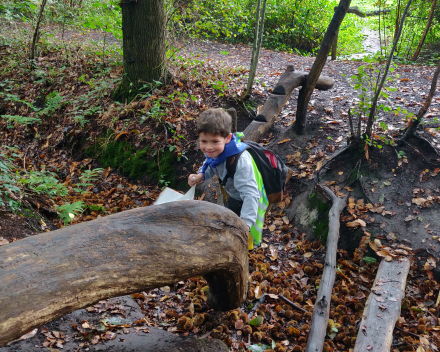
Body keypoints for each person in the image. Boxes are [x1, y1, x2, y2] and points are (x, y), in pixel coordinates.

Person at [188, 108, 268, 250]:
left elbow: (251, 195)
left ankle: (246, 250)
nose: (208, 147)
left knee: (247, 234)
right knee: (229, 220)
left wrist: (245, 225)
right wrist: (201, 175)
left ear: (228, 138)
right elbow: (210, 163)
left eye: (214, 141)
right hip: (235, 195)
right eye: (204, 141)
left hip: (251, 197)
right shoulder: (214, 152)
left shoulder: (240, 162)